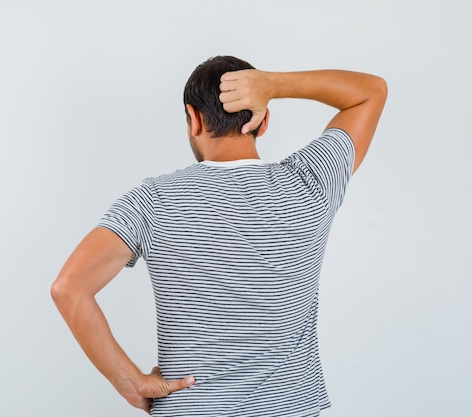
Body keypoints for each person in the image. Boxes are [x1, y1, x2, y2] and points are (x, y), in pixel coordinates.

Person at [51, 56, 387, 416]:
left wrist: (129, 382)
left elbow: (69, 288)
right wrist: (274, 84)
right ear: (263, 120)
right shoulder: (309, 182)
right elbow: (370, 92)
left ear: (193, 119)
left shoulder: (154, 200)